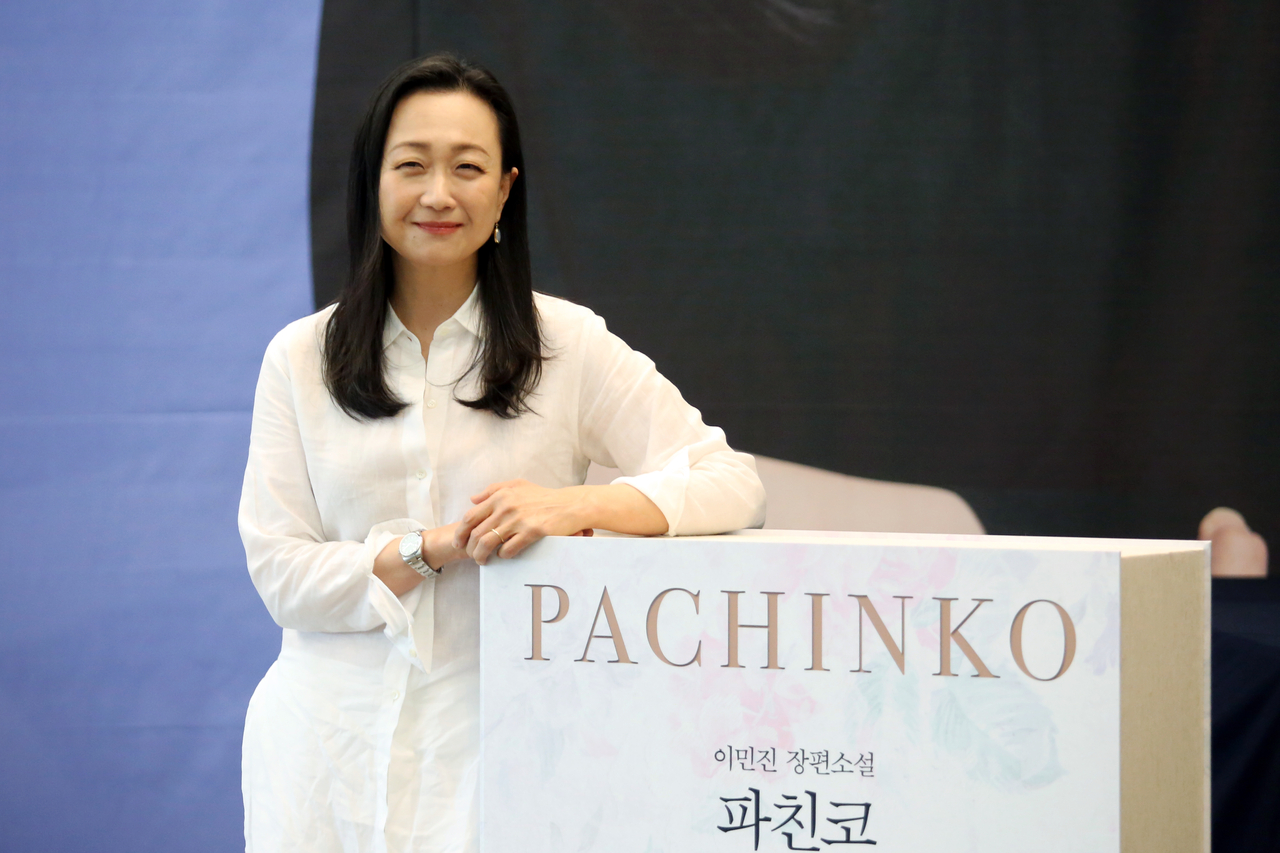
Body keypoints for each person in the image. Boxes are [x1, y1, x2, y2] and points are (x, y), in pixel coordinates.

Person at [237, 54, 766, 852]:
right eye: (410, 165)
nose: (438, 193)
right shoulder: (298, 357)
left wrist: (575, 505)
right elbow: (282, 575)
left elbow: (733, 482)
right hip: (324, 756)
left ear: (506, 189)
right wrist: (430, 548)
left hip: (508, 749)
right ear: (372, 182)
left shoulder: (568, 344)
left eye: (468, 167)